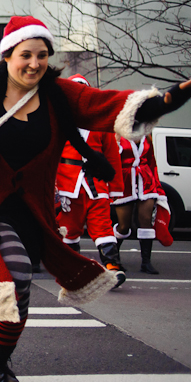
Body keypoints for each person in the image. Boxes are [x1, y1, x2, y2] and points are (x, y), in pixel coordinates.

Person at [0, 15, 191, 382]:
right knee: (13, 268)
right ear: (8, 55)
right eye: (26, 54)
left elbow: (108, 107)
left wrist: (166, 100)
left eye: (42, 55)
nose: (34, 63)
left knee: (21, 287)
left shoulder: (59, 94)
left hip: (32, 206)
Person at [55, 74, 126, 287]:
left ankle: (113, 267)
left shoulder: (101, 123)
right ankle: (71, 270)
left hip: (96, 185)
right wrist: (55, 188)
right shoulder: (58, 122)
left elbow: (112, 156)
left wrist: (116, 188)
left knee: (103, 226)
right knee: (69, 229)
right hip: (68, 186)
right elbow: (51, 158)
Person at [111, 135, 173, 274]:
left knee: (146, 221)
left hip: (146, 181)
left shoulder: (147, 137)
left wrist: (157, 186)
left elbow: (152, 163)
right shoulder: (117, 137)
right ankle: (113, 259)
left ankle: (146, 262)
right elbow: (111, 160)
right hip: (124, 182)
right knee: (123, 226)